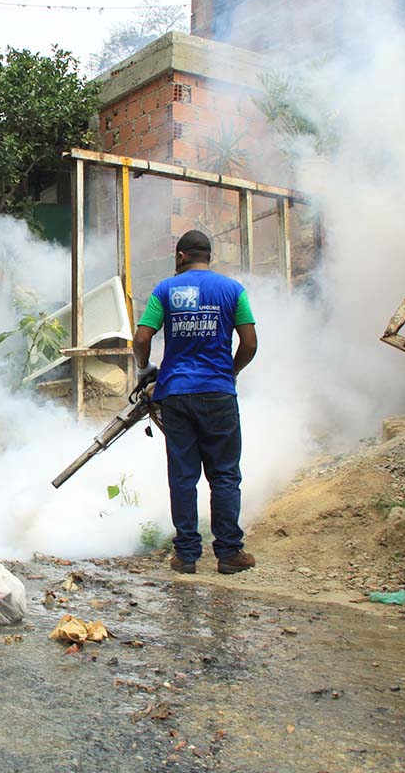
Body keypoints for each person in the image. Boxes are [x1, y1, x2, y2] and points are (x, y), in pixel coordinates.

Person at [132, 229, 258, 575]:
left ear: (180, 256)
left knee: (184, 476)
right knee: (225, 475)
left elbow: (142, 337)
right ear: (209, 257)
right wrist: (228, 372)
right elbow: (249, 343)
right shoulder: (233, 290)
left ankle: (186, 555)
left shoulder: (164, 290)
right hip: (218, 394)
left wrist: (145, 369)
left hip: (175, 395)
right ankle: (229, 553)